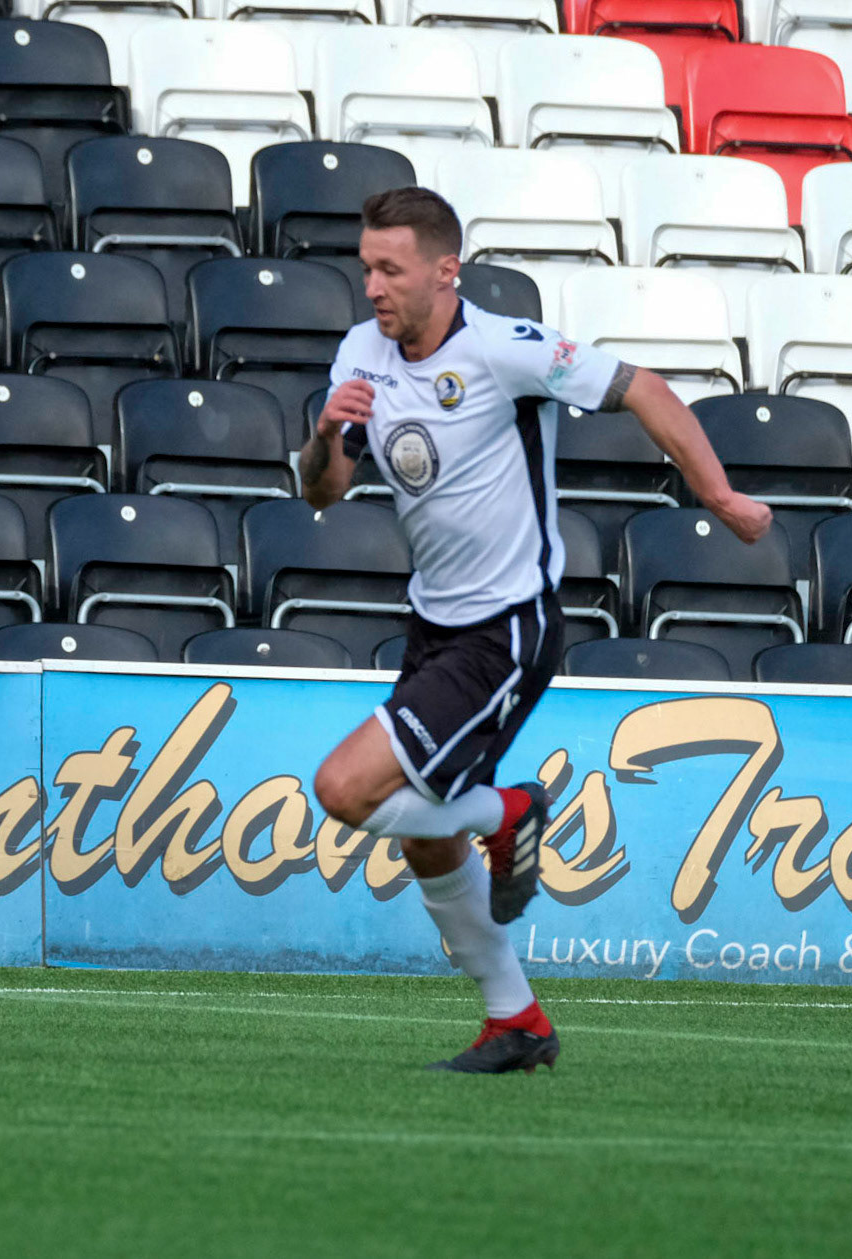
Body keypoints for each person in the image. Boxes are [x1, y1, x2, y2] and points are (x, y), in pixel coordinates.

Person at [302, 188, 772, 1073]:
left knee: (342, 787)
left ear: (447, 270)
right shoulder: (362, 352)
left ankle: (511, 808)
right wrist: (327, 435)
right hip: (433, 622)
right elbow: (322, 493)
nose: (371, 286)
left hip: (507, 628)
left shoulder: (505, 347)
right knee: (426, 831)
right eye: (365, 266)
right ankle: (515, 1020)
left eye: (389, 268)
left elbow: (644, 388)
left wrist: (721, 497)